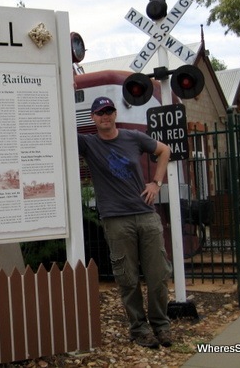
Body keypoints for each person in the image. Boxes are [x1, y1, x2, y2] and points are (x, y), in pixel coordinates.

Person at [77, 96, 173, 349]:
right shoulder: (88, 144)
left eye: (108, 111)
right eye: (100, 113)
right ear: (93, 118)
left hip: (145, 215)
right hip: (116, 221)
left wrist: (156, 183)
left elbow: (164, 150)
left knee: (158, 276)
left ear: (115, 113)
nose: (105, 116)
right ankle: (139, 329)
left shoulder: (133, 137)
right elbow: (59, 129)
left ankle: (161, 326)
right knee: (127, 279)